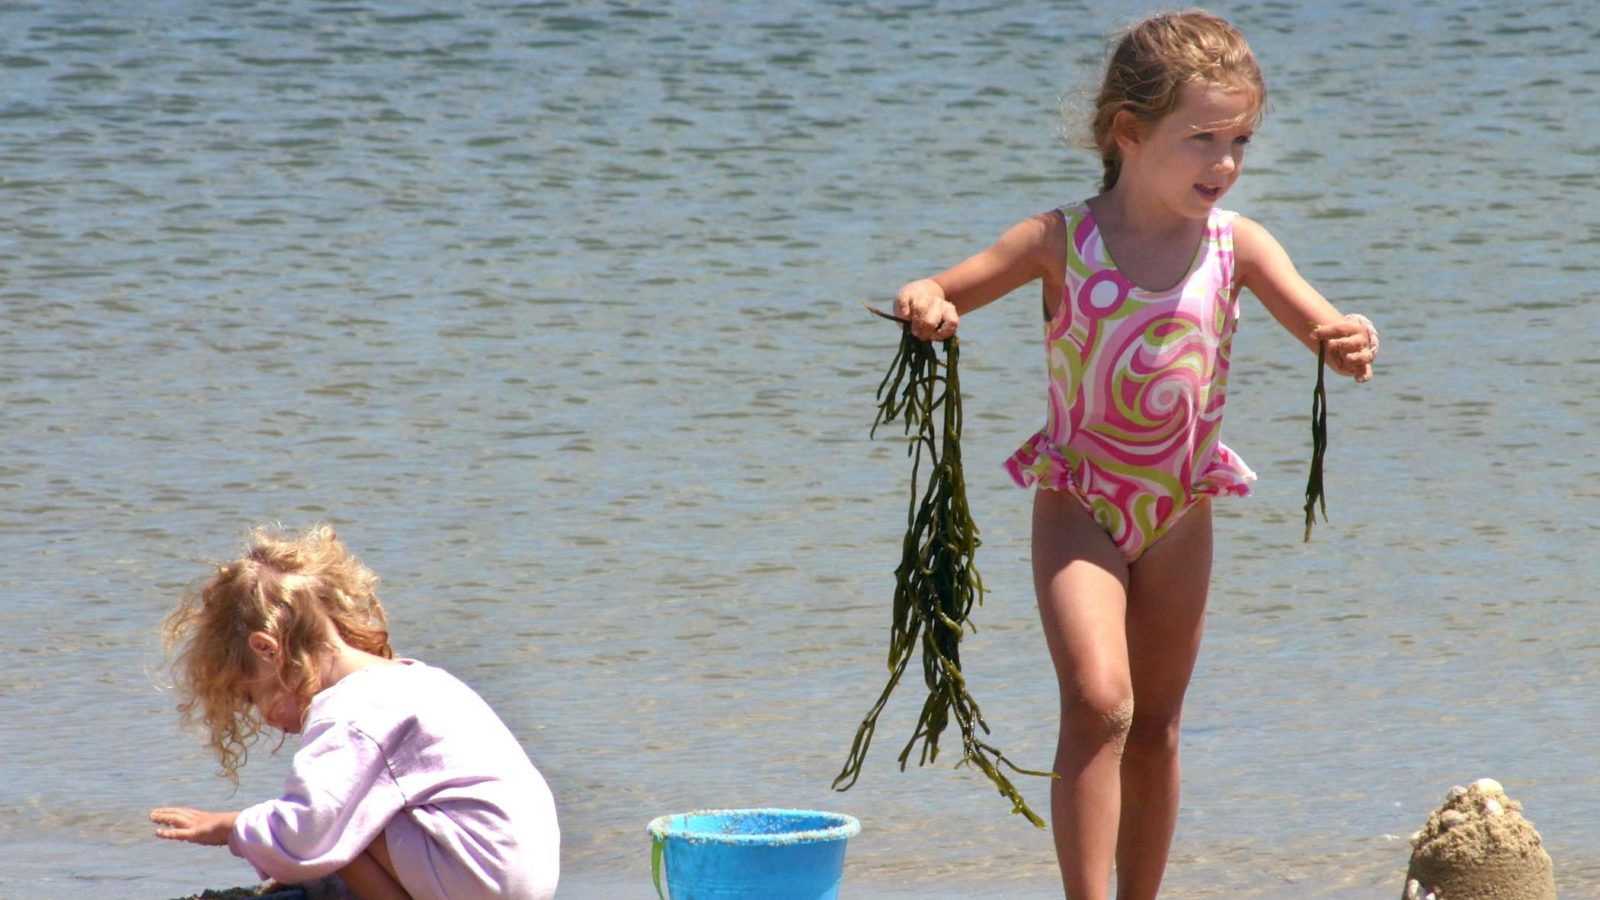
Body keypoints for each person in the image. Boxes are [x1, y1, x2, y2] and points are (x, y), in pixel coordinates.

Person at [891, 10, 1378, 899]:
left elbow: (1318, 320)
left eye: (1240, 140)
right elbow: (942, 286)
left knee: (1155, 724)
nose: (1225, 164)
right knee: (1099, 703)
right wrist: (925, 299)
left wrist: (1343, 339)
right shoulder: (1059, 241)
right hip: (1079, 502)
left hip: (1179, 510)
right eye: (1201, 140)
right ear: (1129, 132)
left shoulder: (1239, 245)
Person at [149, 524, 560, 900]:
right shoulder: (417, 680)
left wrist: (228, 828)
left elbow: (306, 832)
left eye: (250, 696)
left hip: (480, 877)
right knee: (355, 810)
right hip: (522, 874)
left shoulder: (349, 711)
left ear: (267, 650)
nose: (264, 717)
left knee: (338, 824)